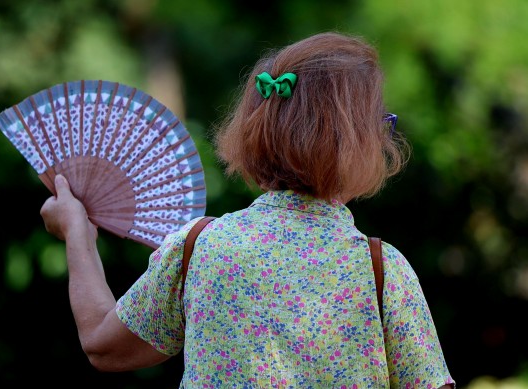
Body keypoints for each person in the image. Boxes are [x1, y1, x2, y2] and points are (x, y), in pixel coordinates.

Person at [40, 32, 455, 388]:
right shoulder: (382, 270)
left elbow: (102, 345)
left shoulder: (199, 248)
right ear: (354, 142)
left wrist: (78, 232)